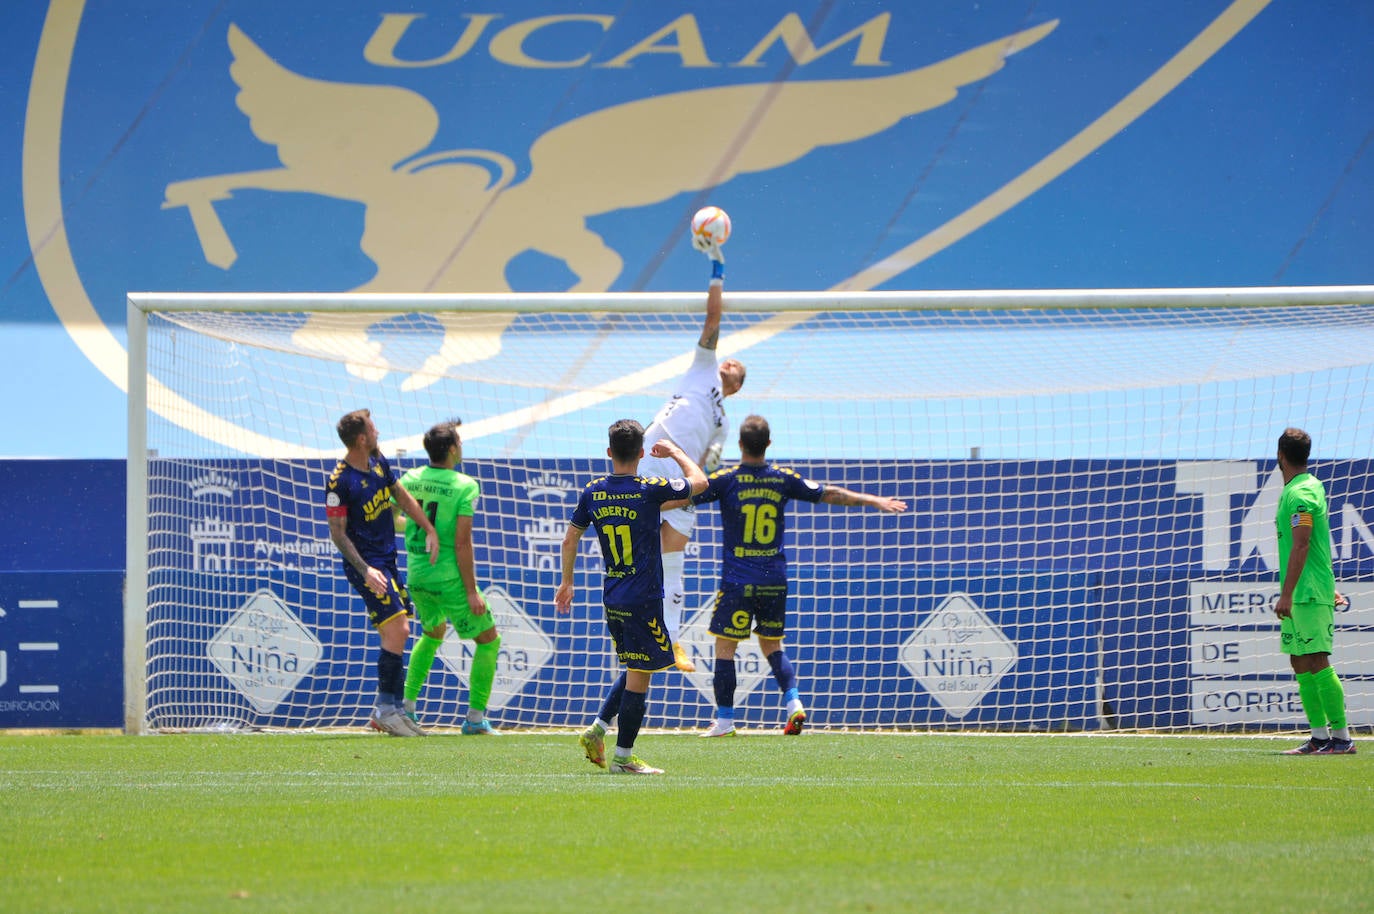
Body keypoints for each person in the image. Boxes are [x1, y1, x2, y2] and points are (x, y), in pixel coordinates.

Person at [692, 414, 908, 737]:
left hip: (738, 579)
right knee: (772, 645)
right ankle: (793, 703)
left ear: (739, 445)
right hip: (774, 579)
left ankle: (724, 720)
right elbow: (831, 493)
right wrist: (874, 500)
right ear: (768, 444)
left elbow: (688, 493)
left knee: (726, 648)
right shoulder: (782, 479)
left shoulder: (726, 480)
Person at [555, 419, 707, 774]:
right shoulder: (649, 488)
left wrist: (567, 583)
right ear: (641, 453)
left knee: (637, 666)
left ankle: (597, 731)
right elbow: (700, 482)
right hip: (644, 596)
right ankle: (622, 757)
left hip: (614, 596)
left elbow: (569, 538)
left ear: (609, 452)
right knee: (641, 673)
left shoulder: (593, 491)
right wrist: (675, 452)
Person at [635, 246, 746, 673]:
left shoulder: (723, 421)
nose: (731, 362)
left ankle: (673, 641)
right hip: (653, 451)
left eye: (739, 368)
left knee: (674, 556)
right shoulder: (704, 366)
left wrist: (704, 475)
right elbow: (713, 319)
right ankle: (637, 625)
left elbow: (711, 461)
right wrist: (717, 271)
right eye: (730, 359)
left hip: (682, 469)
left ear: (737, 385)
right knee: (639, 548)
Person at [325, 408, 438, 737]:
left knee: (400, 631)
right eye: (374, 430)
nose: (378, 434)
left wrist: (428, 528)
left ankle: (392, 709)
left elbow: (402, 496)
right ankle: (386, 709)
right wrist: (366, 570)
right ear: (361, 438)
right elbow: (338, 533)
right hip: (366, 566)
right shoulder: (339, 481)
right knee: (398, 629)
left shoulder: (379, 463)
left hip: (387, 562)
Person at [398, 419, 502, 735]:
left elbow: (393, 521)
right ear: (454, 448)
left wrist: (421, 530)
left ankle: (407, 709)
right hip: (448, 578)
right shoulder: (464, 485)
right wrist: (471, 591)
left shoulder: (409, 479)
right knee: (488, 640)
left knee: (433, 632)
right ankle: (474, 719)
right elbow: (461, 543)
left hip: (416, 574)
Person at [1274, 427, 1355, 755]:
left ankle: (1343, 738)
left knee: (1317, 660)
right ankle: (1320, 737)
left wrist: (1288, 592)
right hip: (1305, 592)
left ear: (1280, 456)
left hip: (1305, 594)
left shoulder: (1302, 492)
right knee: (1299, 662)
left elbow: (1304, 542)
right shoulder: (1300, 488)